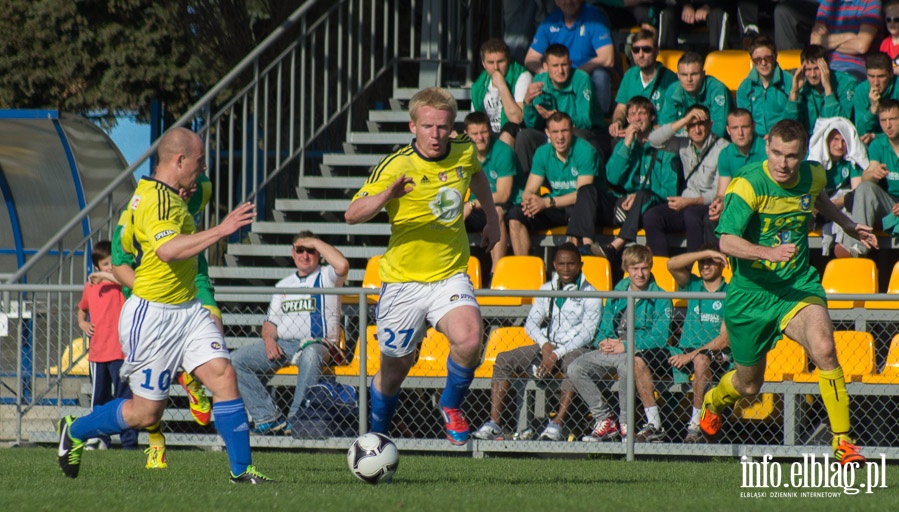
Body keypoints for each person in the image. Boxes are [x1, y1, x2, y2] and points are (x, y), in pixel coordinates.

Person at [56, 127, 273, 483]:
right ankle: (76, 429)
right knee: (145, 413)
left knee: (224, 375)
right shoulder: (155, 201)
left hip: (188, 309)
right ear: (180, 160)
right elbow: (167, 250)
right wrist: (222, 229)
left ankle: (242, 471)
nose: (203, 170)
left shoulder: (166, 194)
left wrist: (182, 199)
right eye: (199, 162)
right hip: (153, 317)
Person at [698, 119, 877, 466]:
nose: (783, 163)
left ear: (802, 153)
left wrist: (847, 224)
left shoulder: (813, 175)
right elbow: (726, 240)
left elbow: (818, 198)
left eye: (792, 156)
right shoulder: (748, 185)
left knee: (825, 348)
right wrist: (767, 253)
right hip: (750, 295)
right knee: (749, 387)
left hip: (796, 286)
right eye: (777, 153)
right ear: (767, 147)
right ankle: (714, 401)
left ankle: (843, 442)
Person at [345, 87, 501, 445]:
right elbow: (352, 215)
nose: (436, 134)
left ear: (452, 127)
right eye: (428, 126)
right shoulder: (396, 165)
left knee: (470, 337)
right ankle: (378, 433)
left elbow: (476, 174)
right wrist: (387, 195)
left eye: (443, 127)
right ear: (413, 126)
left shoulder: (463, 150)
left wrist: (491, 218)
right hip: (403, 282)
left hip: (449, 274)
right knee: (395, 368)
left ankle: (451, 406)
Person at [111, 174, 215, 470]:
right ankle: (156, 440)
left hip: (190, 278)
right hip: (150, 294)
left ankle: (192, 377)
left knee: (214, 325)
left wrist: (193, 183)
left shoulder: (194, 188)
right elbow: (119, 263)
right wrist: (151, 296)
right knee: (145, 402)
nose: (189, 191)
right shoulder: (135, 211)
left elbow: (198, 181)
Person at [471, 243, 601, 441]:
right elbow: (531, 323)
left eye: (571, 264)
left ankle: (557, 424)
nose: (566, 269)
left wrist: (556, 354)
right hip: (547, 345)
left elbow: (587, 334)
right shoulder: (546, 289)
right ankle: (495, 423)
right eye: (561, 264)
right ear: (554, 265)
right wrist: (545, 345)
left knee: (573, 365)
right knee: (504, 359)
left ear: (580, 265)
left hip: (576, 348)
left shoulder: (592, 293)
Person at [230, 232, 348, 435]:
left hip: (319, 344)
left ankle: (297, 420)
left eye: (310, 250)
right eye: (300, 250)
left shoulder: (327, 277)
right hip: (285, 344)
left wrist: (315, 242)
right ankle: (268, 418)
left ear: (318, 253)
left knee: (310, 355)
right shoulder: (283, 284)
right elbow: (270, 322)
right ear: (292, 253)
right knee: (235, 360)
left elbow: (343, 265)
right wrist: (268, 341)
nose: (305, 255)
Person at [568, 244, 673, 442]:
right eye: (635, 268)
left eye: (644, 268)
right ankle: (604, 419)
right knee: (575, 367)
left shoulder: (661, 296)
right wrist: (603, 341)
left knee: (627, 365)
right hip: (612, 348)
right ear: (626, 268)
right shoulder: (619, 290)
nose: (640, 274)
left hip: (637, 352)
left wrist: (625, 346)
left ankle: (626, 423)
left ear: (650, 267)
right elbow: (606, 321)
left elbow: (659, 337)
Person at [592, 97, 681, 262]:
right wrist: (626, 144)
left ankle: (616, 245)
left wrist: (638, 196)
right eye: (632, 114)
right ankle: (584, 248)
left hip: (654, 202)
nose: (637, 119)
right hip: (627, 204)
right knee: (588, 192)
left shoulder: (666, 147)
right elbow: (612, 178)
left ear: (652, 117)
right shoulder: (624, 144)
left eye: (642, 113)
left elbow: (670, 192)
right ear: (627, 120)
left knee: (643, 194)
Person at [508, 112, 605, 256]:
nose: (560, 137)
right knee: (516, 214)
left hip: (585, 207)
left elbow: (582, 194)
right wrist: (529, 201)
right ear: (547, 133)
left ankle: (576, 269)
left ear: (572, 130)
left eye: (564, 131)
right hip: (555, 205)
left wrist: (546, 202)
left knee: (576, 213)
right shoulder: (542, 153)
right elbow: (530, 188)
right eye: (555, 132)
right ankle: (525, 269)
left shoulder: (585, 151)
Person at [76, 241, 138, 452]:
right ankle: (100, 439)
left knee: (124, 399)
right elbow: (81, 310)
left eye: (113, 262)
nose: (111, 267)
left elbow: (124, 280)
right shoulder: (91, 287)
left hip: (121, 352)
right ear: (96, 266)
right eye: (105, 264)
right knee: (99, 399)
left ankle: (129, 443)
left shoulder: (122, 283)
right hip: (98, 353)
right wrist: (83, 323)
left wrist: (104, 276)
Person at [666, 246, 730, 443]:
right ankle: (653, 426)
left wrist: (691, 356)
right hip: (686, 351)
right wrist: (704, 253)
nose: (705, 265)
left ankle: (695, 425)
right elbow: (671, 264)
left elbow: (724, 339)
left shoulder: (730, 292)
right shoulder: (693, 284)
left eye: (711, 261)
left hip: (717, 353)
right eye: (703, 261)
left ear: (723, 263)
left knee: (701, 361)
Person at [645, 104, 728, 256]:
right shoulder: (683, 142)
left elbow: (718, 193)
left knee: (692, 215)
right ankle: (662, 268)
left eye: (701, 124)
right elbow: (653, 140)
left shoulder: (723, 149)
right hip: (686, 202)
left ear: (710, 125)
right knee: (652, 216)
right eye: (692, 125)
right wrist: (684, 120)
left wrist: (689, 202)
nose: (697, 130)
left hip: (707, 205)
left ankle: (694, 268)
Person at [518, 43, 607, 170]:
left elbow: (585, 121)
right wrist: (528, 104)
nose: (560, 70)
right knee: (524, 136)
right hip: (551, 133)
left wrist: (556, 118)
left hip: (585, 131)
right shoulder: (539, 81)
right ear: (545, 67)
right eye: (555, 66)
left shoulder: (582, 79)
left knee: (576, 135)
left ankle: (577, 181)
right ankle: (526, 185)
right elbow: (533, 125)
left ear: (570, 64)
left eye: (564, 65)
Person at [525, 0, 616, 114]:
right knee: (535, 77)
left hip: (585, 75)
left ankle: (599, 122)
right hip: (558, 75)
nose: (568, 2)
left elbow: (608, 59)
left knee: (601, 75)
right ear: (556, 2)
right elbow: (530, 59)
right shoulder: (549, 22)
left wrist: (574, 73)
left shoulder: (594, 18)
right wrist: (548, 72)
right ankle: (543, 117)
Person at [462, 112, 525, 275]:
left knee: (495, 212)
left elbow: (503, 195)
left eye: (483, 132)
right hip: (476, 208)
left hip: (505, 206)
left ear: (490, 131)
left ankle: (496, 274)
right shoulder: (462, 155)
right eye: (474, 134)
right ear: (466, 135)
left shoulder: (503, 152)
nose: (480, 138)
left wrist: (471, 204)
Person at [837, 99, 899, 257]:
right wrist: (872, 174)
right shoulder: (878, 145)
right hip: (890, 204)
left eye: (893, 119)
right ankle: (857, 249)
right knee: (865, 187)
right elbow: (867, 177)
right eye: (883, 121)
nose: (888, 125)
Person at [807, 117, 867, 256]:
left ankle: (846, 248)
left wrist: (832, 204)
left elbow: (855, 194)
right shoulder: (816, 162)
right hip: (817, 209)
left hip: (837, 208)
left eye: (843, 140)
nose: (840, 145)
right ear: (826, 140)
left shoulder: (851, 162)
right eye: (835, 139)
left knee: (846, 196)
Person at [609, 29, 678, 140]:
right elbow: (621, 108)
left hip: (661, 137)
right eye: (636, 50)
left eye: (646, 50)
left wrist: (645, 132)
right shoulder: (629, 75)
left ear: (656, 51)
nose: (641, 55)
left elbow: (674, 121)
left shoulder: (671, 80)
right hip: (634, 136)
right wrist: (617, 122)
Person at [708, 109, 766, 232]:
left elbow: (764, 187)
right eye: (735, 128)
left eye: (744, 127)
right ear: (728, 130)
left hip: (763, 206)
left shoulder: (766, 149)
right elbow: (722, 192)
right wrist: (719, 203)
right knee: (710, 217)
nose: (740, 133)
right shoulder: (725, 154)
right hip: (739, 206)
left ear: (753, 127)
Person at [785, 45, 857, 135]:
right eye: (808, 69)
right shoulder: (802, 85)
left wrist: (828, 88)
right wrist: (794, 92)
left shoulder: (847, 83)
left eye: (817, 68)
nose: (812, 75)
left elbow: (841, 126)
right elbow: (787, 128)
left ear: (826, 66)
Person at [658, 52, 732, 139]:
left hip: (714, 145)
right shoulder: (672, 90)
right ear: (678, 75)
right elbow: (665, 127)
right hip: (682, 143)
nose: (689, 79)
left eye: (694, 74)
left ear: (703, 74)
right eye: (684, 75)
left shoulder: (717, 89)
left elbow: (719, 130)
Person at [811, 0, 882, 82]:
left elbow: (861, 47)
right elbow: (815, 41)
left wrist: (828, 42)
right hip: (824, 66)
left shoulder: (871, 3)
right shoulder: (827, 3)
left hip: (856, 68)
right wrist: (849, 36)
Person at [471, 38, 531, 134]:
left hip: (513, 133)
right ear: (483, 63)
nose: (496, 67)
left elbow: (517, 119)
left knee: (509, 130)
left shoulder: (522, 76)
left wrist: (502, 85)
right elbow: (475, 122)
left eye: (500, 61)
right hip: (487, 135)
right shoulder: (478, 85)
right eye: (491, 62)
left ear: (508, 60)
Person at [737, 36, 794, 136]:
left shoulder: (790, 82)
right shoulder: (745, 87)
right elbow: (744, 122)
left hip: (784, 136)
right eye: (758, 60)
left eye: (767, 58)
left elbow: (794, 117)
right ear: (752, 61)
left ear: (775, 57)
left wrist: (774, 137)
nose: (763, 63)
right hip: (755, 141)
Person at [854, 52, 899, 144]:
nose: (876, 82)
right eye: (871, 76)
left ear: (891, 73)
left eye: (881, 76)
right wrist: (873, 109)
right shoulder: (861, 91)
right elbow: (861, 131)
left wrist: (876, 136)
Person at [658, 1, 729, 51]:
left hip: (715, 8)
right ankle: (666, 61)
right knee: (667, 14)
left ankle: (717, 58)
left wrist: (709, 5)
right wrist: (686, 5)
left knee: (718, 14)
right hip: (687, 9)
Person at [880, 0, 899, 74]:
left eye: (896, 20)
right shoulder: (885, 43)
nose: (892, 23)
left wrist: (886, 71)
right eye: (888, 20)